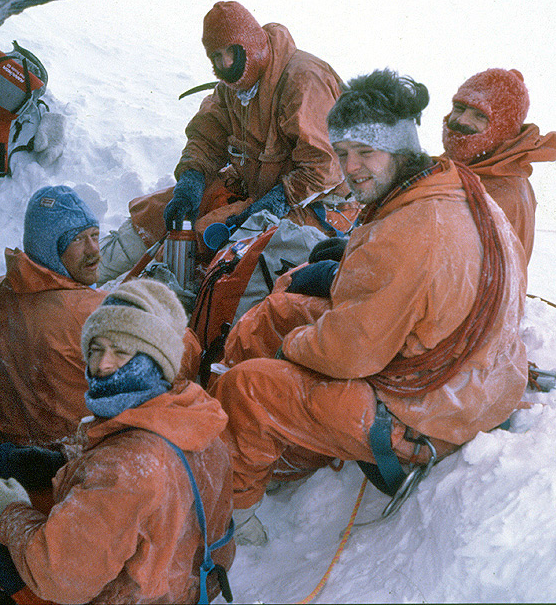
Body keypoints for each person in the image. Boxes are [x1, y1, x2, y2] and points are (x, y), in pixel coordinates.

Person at [212, 69, 528, 545]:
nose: (351, 167)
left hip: (429, 414)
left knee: (248, 386)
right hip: (469, 377)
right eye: (342, 153)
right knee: (273, 315)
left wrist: (291, 348)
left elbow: (349, 354)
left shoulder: (412, 229)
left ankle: (235, 511)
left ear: (400, 149)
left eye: (365, 152)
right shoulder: (448, 184)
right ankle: (258, 447)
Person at [0, 279, 235, 604]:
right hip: (188, 584)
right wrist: (70, 457)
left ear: (155, 360)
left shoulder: (125, 466)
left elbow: (60, 577)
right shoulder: (192, 415)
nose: (103, 365)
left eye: (121, 351)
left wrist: (10, 513)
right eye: (96, 349)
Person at [98, 0, 350, 283]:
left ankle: (160, 299)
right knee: (167, 210)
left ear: (252, 43)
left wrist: (273, 202)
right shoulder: (234, 89)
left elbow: (325, 165)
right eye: (216, 55)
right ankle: (91, 267)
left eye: (232, 51)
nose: (225, 63)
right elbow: (206, 137)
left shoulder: (303, 81)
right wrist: (191, 180)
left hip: (312, 202)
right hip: (256, 190)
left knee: (207, 236)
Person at [0, 185, 106, 448]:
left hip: (10, 451)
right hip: (78, 457)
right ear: (48, 248)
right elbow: (181, 357)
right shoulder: (92, 314)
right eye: (78, 239)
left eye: (95, 235)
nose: (94, 250)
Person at [442, 68, 556, 264]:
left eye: (479, 115)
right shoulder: (475, 167)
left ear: (502, 127)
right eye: (459, 107)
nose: (462, 120)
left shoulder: (496, 194)